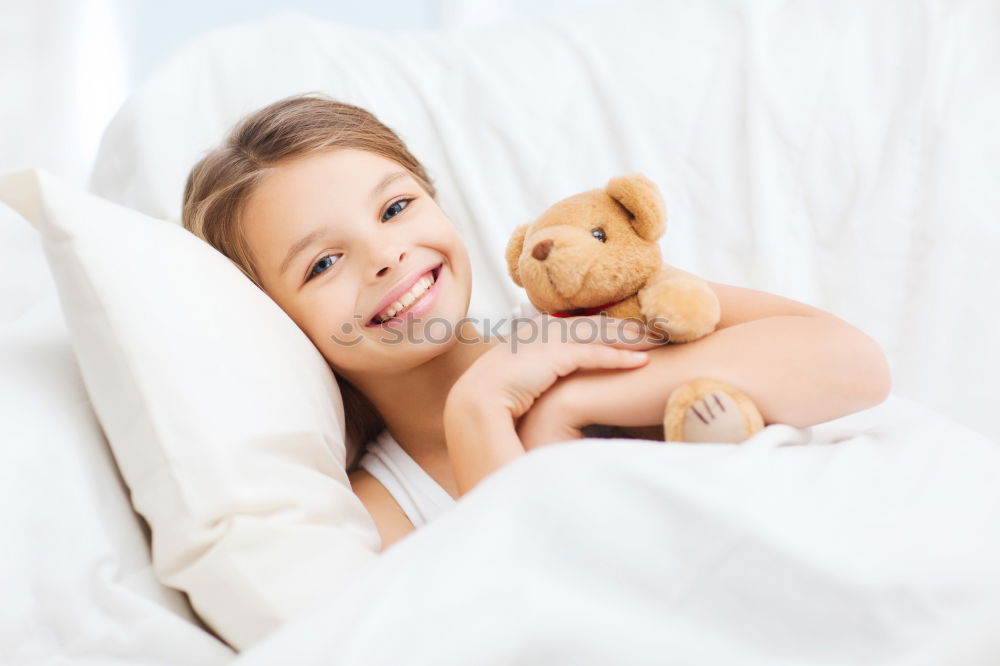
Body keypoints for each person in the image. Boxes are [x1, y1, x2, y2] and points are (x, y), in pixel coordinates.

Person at [182, 93, 892, 552]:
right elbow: (536, 610)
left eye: (396, 208)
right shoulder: (381, 511)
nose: (385, 255)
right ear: (274, 323)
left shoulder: (579, 313)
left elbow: (857, 367)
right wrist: (479, 412)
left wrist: (576, 400)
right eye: (323, 263)